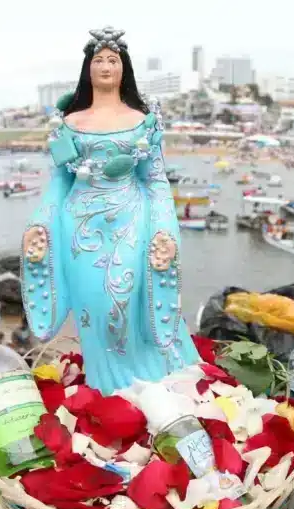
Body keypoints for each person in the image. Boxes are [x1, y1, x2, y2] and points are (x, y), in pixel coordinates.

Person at [20, 26, 199, 395]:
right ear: (87, 68)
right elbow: (59, 182)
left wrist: (164, 229)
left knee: (127, 304)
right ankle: (108, 393)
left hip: (132, 222)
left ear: (124, 68)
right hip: (79, 229)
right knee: (95, 309)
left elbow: (156, 180)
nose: (105, 66)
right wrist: (39, 224)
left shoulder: (143, 120)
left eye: (113, 60)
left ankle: (151, 387)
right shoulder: (68, 123)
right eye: (98, 60)